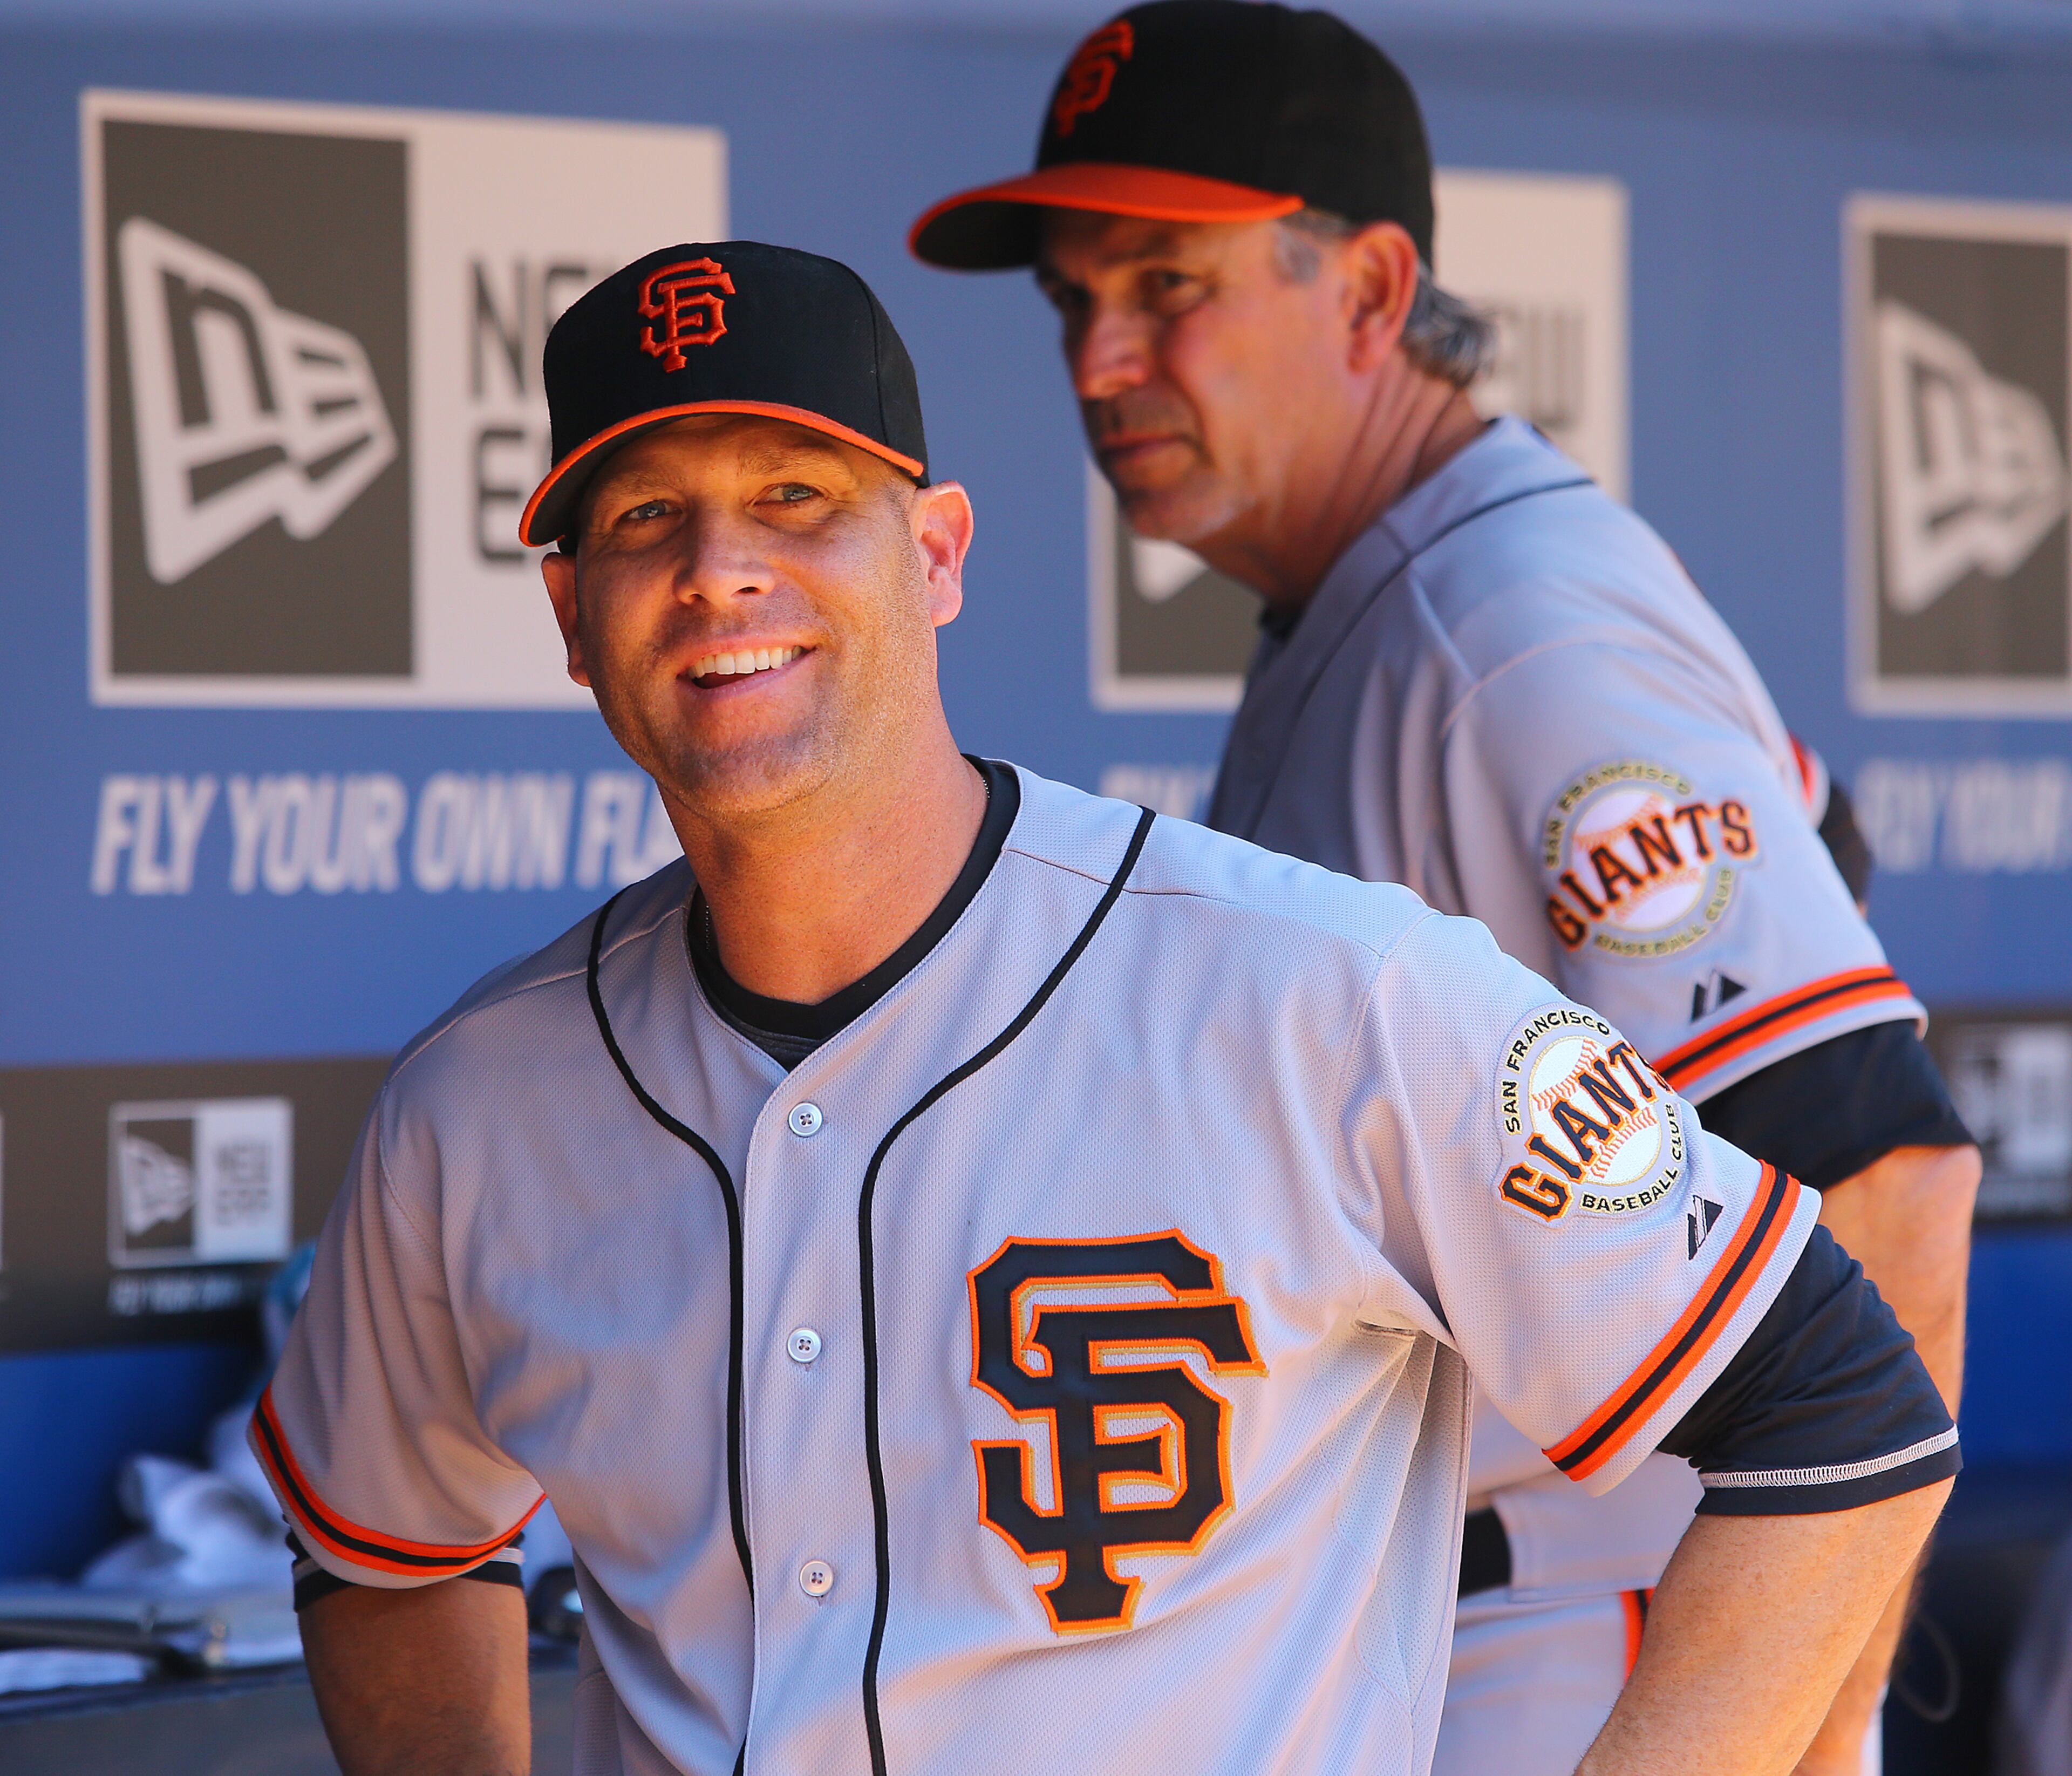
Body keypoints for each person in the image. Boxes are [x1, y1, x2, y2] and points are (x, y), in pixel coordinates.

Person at [254, 239, 1955, 1776]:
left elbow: (1838, 1404)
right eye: (643, 520)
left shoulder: (1328, 991)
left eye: (795, 498)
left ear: (935, 556)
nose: (719, 571)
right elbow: (382, 1547)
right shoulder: (475, 1107)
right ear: (571, 614)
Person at [909, 6, 1982, 1773]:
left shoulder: (1510, 631)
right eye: (1072, 299)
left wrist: (1808, 1724)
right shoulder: (1390, 602)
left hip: (1602, 1642)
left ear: (1369, 289)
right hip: (1480, 1627)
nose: (1101, 357)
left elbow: (1887, 1179)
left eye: (1168, 285)